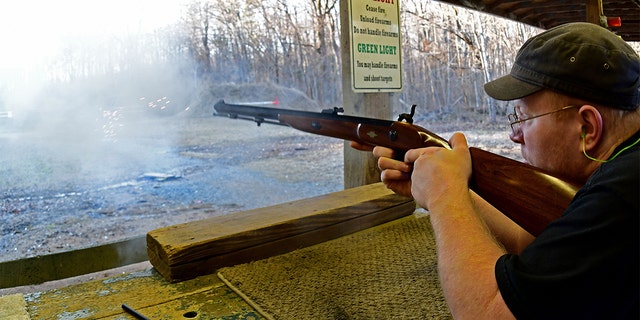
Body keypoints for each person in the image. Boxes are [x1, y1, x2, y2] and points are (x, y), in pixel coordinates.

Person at [352, 22, 639, 319]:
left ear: (587, 127)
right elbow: (530, 241)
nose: (515, 135)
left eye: (525, 118)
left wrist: (444, 197)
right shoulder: (623, 169)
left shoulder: (620, 198)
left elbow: (490, 310)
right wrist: (445, 182)